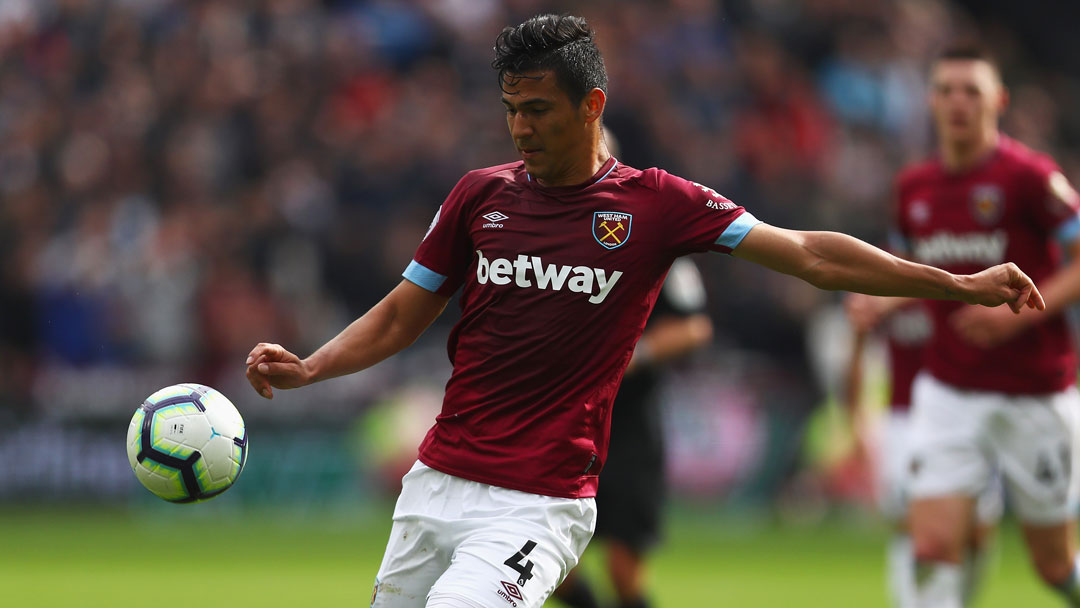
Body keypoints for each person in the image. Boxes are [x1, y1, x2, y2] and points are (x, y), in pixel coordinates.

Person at [244, 16, 1043, 608]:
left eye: (539, 111)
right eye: (511, 109)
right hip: (436, 481)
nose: (521, 128)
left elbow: (809, 254)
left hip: (540, 500)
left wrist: (959, 284)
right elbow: (397, 317)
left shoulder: (656, 204)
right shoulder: (478, 197)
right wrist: (312, 365)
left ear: (591, 105)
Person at [883, 45, 1080, 608]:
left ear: (999, 100)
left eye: (972, 90)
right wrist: (882, 305)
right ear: (931, 101)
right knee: (932, 544)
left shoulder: (1032, 179)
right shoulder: (913, 189)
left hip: (1035, 391)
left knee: (1053, 564)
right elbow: (913, 272)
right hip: (950, 388)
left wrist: (1011, 317)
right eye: (947, 90)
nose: (958, 102)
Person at [553, 258, 713, 608]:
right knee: (551, 564)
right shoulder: (554, 245)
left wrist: (626, 358)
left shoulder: (666, 255)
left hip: (630, 430)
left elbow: (694, 327)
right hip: (563, 421)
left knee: (623, 568)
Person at [844, 294, 1002, 607]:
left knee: (977, 533)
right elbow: (858, 351)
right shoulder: (880, 276)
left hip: (968, 415)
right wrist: (856, 419)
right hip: (905, 421)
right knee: (915, 530)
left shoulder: (960, 272)